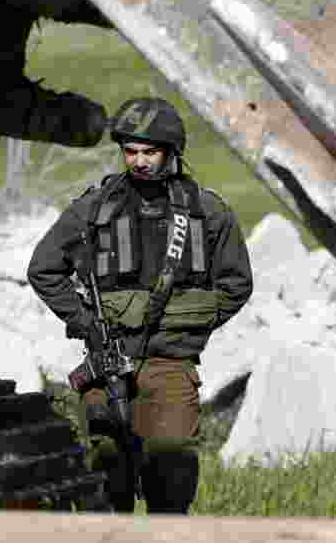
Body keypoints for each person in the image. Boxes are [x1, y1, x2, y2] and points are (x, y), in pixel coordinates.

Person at [27, 97, 253, 514]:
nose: (140, 161)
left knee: (171, 472)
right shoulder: (95, 208)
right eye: (131, 151)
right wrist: (85, 322)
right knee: (106, 471)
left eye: (150, 152)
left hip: (171, 364)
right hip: (108, 358)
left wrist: (188, 324)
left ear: (171, 152)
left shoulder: (208, 212)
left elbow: (237, 284)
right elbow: (43, 269)